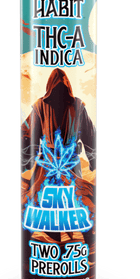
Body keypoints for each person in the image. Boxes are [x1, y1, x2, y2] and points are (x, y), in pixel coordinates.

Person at [21, 68, 96, 244]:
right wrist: (27, 158)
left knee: (72, 198)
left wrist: (92, 157)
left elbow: (89, 133)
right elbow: (28, 133)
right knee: (44, 198)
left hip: (64, 161)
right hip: (53, 162)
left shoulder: (76, 106)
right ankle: (44, 239)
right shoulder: (41, 106)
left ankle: (82, 237)